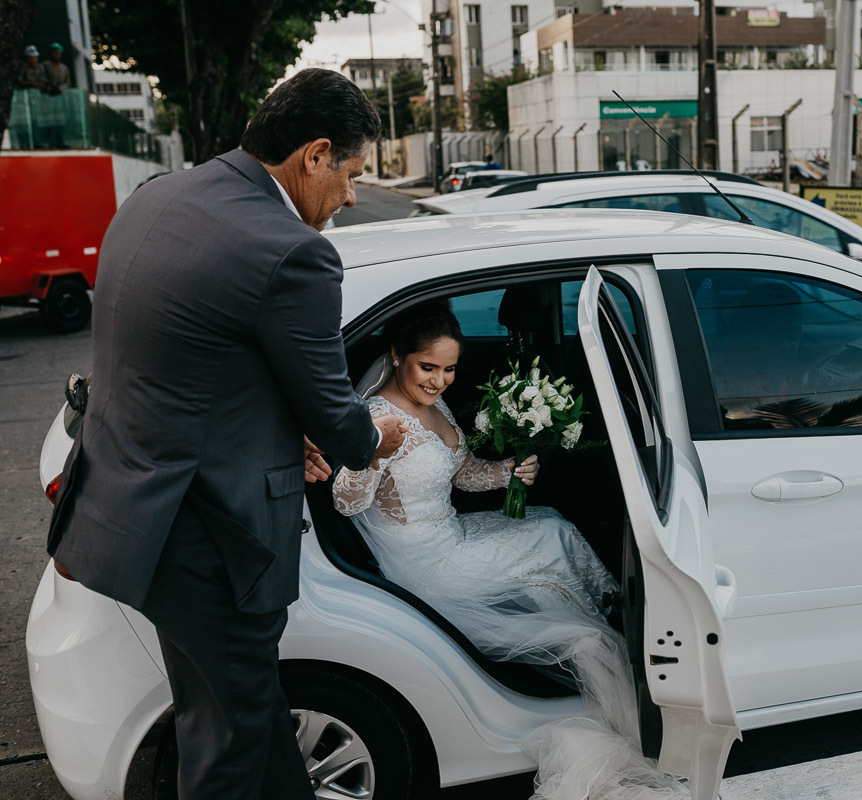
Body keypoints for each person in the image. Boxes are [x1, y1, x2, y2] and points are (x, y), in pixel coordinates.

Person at [46, 68, 407, 800]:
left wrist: (281, 427)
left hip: (131, 507)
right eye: (353, 174)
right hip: (212, 539)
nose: (350, 196)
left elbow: (195, 359)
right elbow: (338, 420)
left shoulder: (162, 196)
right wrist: (380, 439)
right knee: (228, 741)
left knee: (240, 708)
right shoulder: (293, 251)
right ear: (315, 154)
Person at [332, 304, 687, 799]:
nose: (439, 381)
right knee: (551, 538)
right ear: (397, 357)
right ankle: (620, 621)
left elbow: (461, 473)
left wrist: (508, 473)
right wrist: (374, 454)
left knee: (551, 523)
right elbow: (346, 502)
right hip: (426, 566)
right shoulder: (376, 418)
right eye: (427, 367)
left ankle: (615, 615)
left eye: (450, 369)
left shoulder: (434, 408)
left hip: (453, 535)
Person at [12, 46, 43, 148]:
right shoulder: (22, 68)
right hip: (22, 100)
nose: (34, 59)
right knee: (23, 123)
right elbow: (19, 81)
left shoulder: (39, 68)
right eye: (31, 57)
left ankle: (36, 143)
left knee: (35, 122)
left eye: (35, 57)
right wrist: (33, 84)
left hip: (35, 100)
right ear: (27, 58)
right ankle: (23, 144)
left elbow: (43, 81)